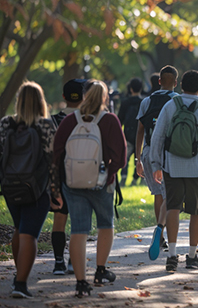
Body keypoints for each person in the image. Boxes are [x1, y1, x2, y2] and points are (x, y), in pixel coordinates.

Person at [53, 81, 127, 297]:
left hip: (73, 183)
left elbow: (57, 152)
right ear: (104, 98)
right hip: (101, 183)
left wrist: (58, 182)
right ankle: (100, 271)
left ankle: (80, 281)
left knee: (79, 230)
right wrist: (108, 173)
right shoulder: (110, 120)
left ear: (84, 97)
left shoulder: (70, 120)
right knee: (105, 225)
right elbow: (121, 157)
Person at [150, 70, 198, 271]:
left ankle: (172, 255)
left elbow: (158, 137)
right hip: (197, 169)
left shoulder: (170, 106)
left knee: (172, 207)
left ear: (181, 86)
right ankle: (191, 256)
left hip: (172, 167)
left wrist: (156, 164)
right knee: (196, 211)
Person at [0, 82, 59, 298]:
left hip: (10, 187)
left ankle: (19, 275)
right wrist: (55, 191)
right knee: (29, 234)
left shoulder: (6, 124)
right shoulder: (45, 125)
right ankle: (21, 283)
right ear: (40, 101)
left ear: (19, 101)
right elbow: (53, 161)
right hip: (36, 189)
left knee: (19, 228)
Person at [135, 65, 179, 260]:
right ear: (176, 83)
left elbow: (140, 131)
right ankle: (167, 234)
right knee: (170, 196)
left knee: (158, 194)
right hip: (170, 154)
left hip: (149, 153)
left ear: (159, 81)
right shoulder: (177, 101)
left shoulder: (147, 101)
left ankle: (159, 235)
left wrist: (138, 159)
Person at [50, 79, 86, 276]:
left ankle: (58, 262)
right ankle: (74, 260)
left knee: (59, 219)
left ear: (64, 97)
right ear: (84, 97)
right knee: (78, 221)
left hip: (60, 175)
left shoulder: (53, 120)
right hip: (83, 174)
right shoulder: (88, 119)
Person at [117, 77, 144, 186]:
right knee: (139, 158)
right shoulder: (144, 102)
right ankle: (136, 178)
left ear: (131, 88)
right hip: (140, 135)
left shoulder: (125, 103)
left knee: (126, 158)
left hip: (127, 135)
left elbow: (120, 120)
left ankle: (123, 177)